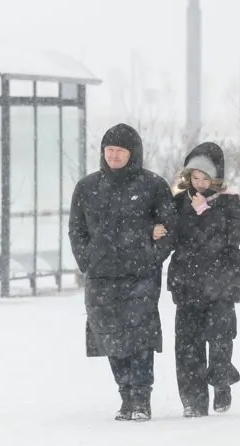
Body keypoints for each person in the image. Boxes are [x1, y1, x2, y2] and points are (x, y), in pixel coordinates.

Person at [68, 123, 175, 421]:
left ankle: (141, 397)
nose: (114, 156)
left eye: (120, 151)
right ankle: (125, 395)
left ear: (133, 153)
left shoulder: (153, 186)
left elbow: (169, 229)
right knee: (110, 336)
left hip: (140, 275)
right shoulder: (87, 187)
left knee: (139, 336)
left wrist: (151, 258)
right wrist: (87, 260)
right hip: (100, 275)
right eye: (109, 150)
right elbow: (76, 229)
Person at [166, 142, 240, 418]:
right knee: (187, 346)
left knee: (220, 340)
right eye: (195, 177)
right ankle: (193, 400)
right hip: (187, 285)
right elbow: (175, 237)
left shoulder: (230, 202)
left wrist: (204, 211)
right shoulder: (179, 202)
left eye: (205, 178)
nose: (200, 183)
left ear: (216, 177)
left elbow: (229, 238)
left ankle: (221, 383)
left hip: (221, 285)